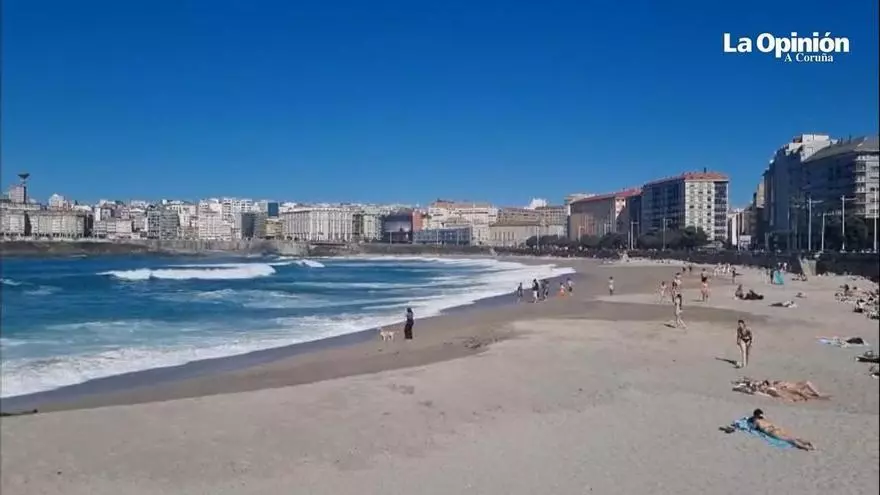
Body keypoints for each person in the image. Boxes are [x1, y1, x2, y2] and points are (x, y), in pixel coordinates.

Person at [747, 409, 815, 451]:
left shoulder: (756, 420)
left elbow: (754, 428)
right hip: (776, 428)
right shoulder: (764, 418)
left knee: (788, 440)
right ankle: (808, 443)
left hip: (771, 431)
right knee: (792, 437)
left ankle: (805, 447)